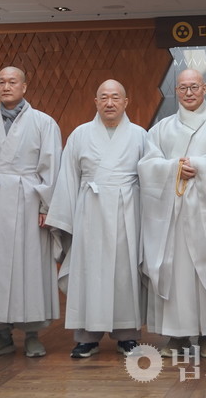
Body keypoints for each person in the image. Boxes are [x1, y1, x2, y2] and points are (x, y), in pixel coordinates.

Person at [0, 66, 62, 358]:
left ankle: (32, 333)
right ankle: (1, 334)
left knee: (30, 267)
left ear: (24, 87)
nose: (6, 86)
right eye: (1, 82)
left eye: (12, 81)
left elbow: (51, 168)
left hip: (30, 201)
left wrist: (47, 206)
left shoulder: (44, 123)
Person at [138, 68, 206, 357]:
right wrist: (173, 168)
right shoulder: (161, 128)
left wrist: (199, 165)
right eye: (183, 88)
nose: (188, 93)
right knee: (176, 275)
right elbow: (147, 165)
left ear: (204, 89)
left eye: (194, 87)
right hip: (171, 219)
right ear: (176, 91)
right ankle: (177, 337)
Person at [47, 79, 146, 358]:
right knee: (88, 273)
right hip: (89, 210)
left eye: (116, 97)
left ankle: (127, 335)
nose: (110, 102)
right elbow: (67, 178)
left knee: (124, 274)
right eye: (104, 97)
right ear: (96, 102)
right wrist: (64, 220)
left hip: (128, 211)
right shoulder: (80, 135)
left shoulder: (140, 135)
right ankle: (86, 336)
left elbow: (151, 180)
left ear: (126, 102)